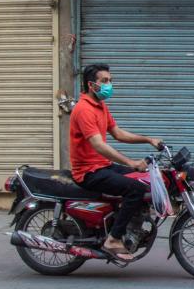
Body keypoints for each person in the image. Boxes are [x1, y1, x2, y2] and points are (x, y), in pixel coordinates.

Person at [69, 63, 164, 261]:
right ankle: (113, 239)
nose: (109, 85)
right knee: (135, 189)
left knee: (143, 180)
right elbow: (98, 144)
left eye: (110, 81)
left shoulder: (101, 106)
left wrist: (148, 139)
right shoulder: (84, 109)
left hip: (102, 166)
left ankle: (126, 224)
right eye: (104, 81)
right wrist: (131, 162)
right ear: (91, 85)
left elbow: (118, 133)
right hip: (88, 172)